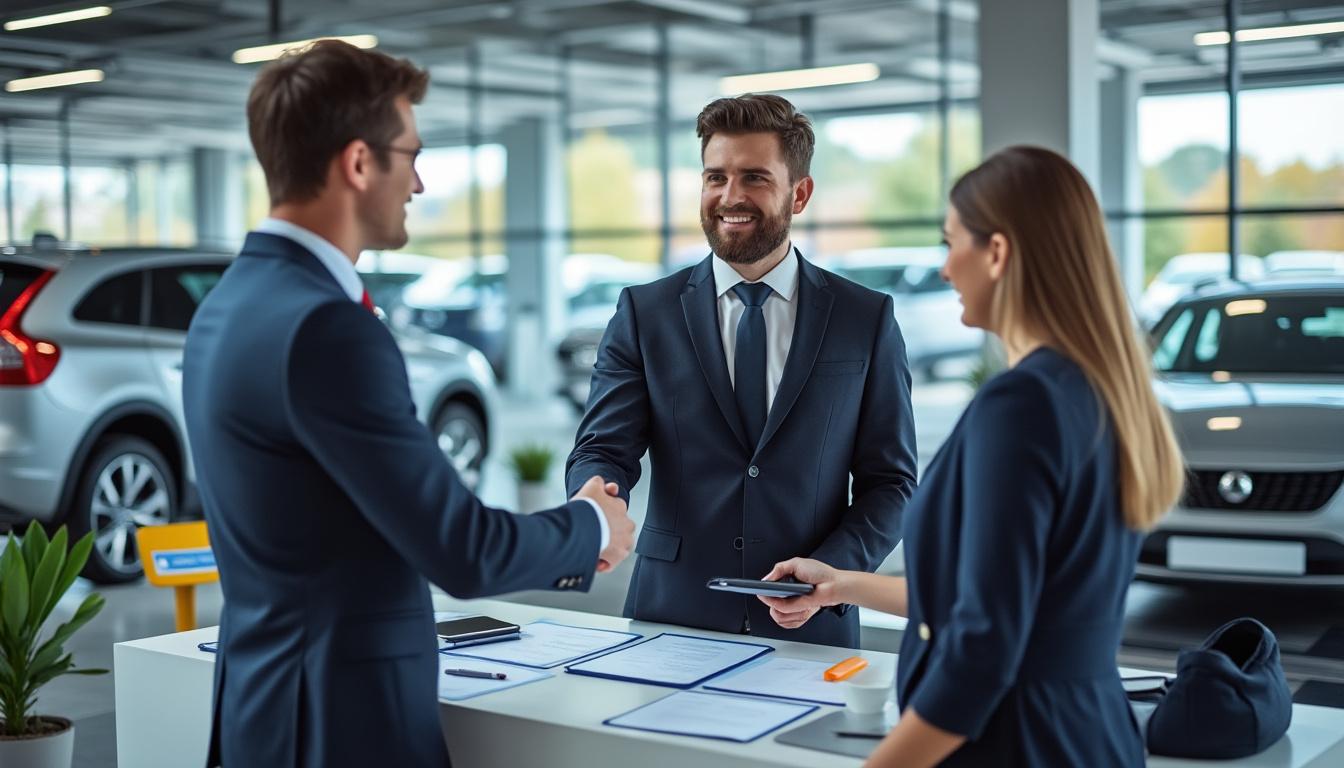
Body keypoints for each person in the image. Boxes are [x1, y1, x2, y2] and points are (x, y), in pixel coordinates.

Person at [182, 41, 634, 768]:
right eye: (411, 155)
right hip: (340, 723)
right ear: (359, 164)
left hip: (261, 708)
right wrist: (590, 525)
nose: (419, 183)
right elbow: (461, 550)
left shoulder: (229, 302)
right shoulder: (329, 327)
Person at [758, 145, 1185, 766]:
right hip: (1090, 734)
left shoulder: (1022, 406)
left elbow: (980, 651)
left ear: (998, 253)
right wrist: (841, 585)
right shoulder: (1094, 389)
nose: (946, 267)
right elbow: (1000, 598)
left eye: (951, 242)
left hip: (1016, 742)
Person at [566, 94, 918, 648]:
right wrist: (593, 495)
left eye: (754, 178)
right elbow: (605, 447)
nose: (730, 197)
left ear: (799, 193)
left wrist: (832, 572)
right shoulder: (644, 312)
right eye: (715, 177)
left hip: (814, 626)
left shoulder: (865, 318)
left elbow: (891, 483)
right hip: (672, 616)